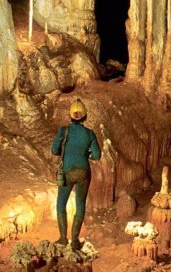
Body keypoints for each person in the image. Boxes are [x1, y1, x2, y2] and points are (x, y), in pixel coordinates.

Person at [51, 98, 102, 249]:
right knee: (80, 204)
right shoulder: (89, 134)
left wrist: (65, 152)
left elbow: (54, 150)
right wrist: (86, 155)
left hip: (67, 172)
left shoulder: (63, 131)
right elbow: (97, 156)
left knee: (61, 204)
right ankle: (74, 240)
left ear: (70, 116)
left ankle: (62, 238)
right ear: (85, 116)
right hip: (83, 172)